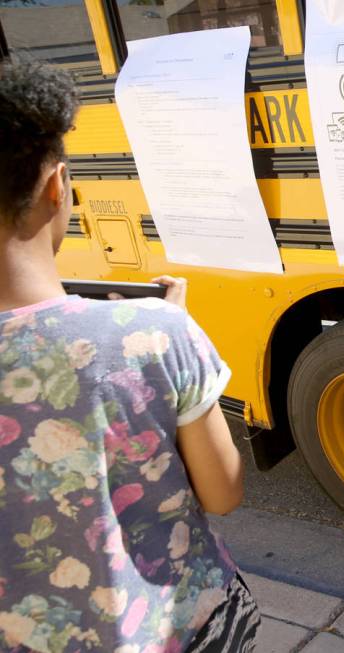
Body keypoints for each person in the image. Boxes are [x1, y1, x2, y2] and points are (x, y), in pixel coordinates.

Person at [0, 60, 260, 652]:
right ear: (55, 186)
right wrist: (173, 325)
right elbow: (223, 494)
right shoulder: (153, 334)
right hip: (179, 628)